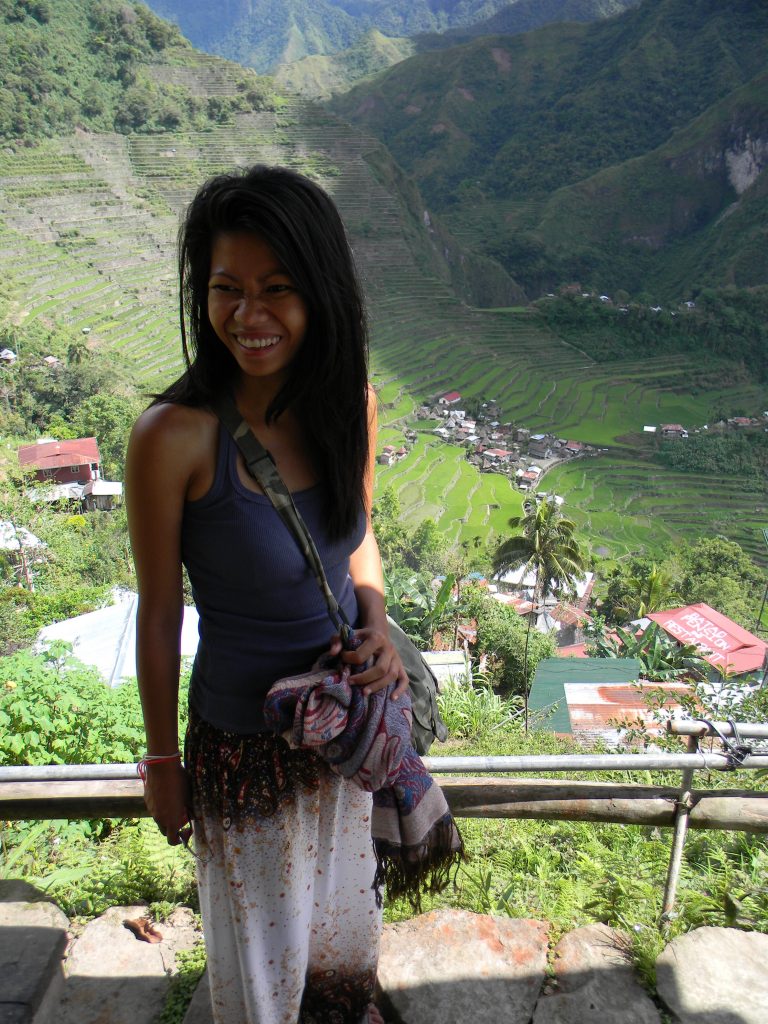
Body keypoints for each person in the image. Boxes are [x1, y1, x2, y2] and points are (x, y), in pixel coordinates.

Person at [126, 164, 409, 1024]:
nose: (250, 317)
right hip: (243, 750)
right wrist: (162, 764)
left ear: (319, 292)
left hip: (338, 735)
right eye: (227, 290)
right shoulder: (172, 437)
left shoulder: (345, 405)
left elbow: (357, 537)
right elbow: (161, 611)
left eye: (277, 289)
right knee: (260, 977)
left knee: (337, 952)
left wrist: (379, 623)